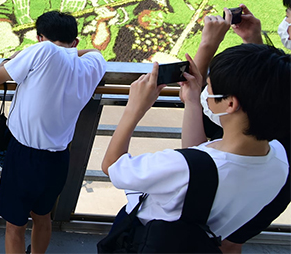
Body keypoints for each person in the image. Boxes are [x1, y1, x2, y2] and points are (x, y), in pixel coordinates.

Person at [102, 36, 289, 250]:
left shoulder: (178, 166)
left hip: (143, 240)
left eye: (208, 87)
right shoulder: (279, 162)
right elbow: (202, 165)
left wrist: (134, 109)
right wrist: (192, 101)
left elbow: (111, 166)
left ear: (230, 103)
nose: (205, 93)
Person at [0, 11, 106, 254]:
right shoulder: (94, 64)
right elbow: (95, 53)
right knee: (43, 217)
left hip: (23, 156)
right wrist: (71, 52)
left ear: (39, 37)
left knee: (15, 226)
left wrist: (20, 55)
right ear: (75, 42)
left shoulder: (40, 50)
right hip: (59, 158)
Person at [192, 5, 291, 253]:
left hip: (250, 178)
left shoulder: (239, 119)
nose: (286, 27)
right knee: (230, 242)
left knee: (221, 242)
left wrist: (207, 46)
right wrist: (255, 47)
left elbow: (192, 161)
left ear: (232, 102)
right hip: (274, 179)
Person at [111, 0, 185, 62]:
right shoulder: (129, 30)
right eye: (148, 16)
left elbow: (185, 31)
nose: (152, 21)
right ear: (138, 13)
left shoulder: (165, 29)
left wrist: (196, 22)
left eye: (158, 19)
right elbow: (124, 54)